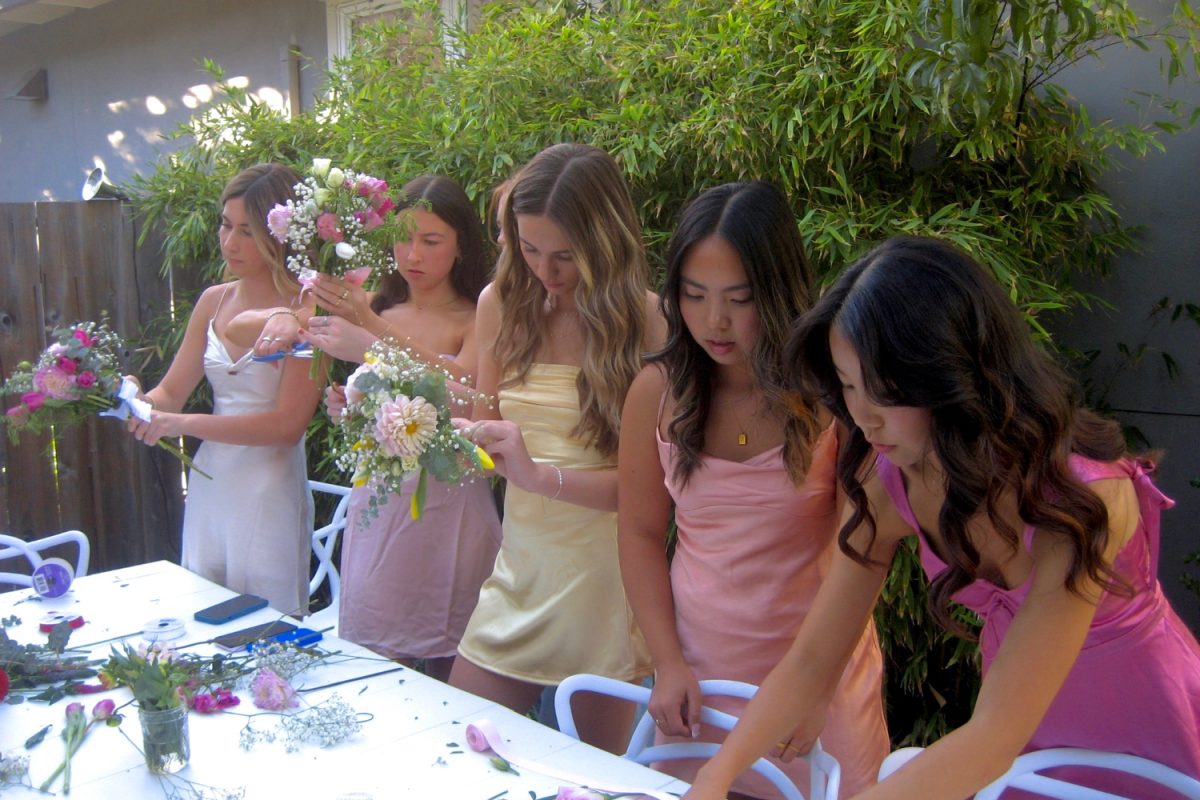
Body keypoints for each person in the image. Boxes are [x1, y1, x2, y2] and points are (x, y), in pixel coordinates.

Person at [684, 236, 1200, 800]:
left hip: (1146, 733)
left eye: (882, 391)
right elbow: (811, 660)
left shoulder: (1085, 499)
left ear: (954, 374)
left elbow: (992, 737)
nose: (863, 418)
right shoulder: (890, 481)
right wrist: (715, 775)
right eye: (848, 386)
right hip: (1027, 737)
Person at [618, 182, 889, 798]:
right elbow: (637, 534)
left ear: (779, 290)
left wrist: (815, 691)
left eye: (739, 300)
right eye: (694, 295)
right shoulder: (656, 391)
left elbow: (865, 550)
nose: (716, 321)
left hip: (820, 681)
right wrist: (667, 662)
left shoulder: (835, 392)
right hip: (699, 684)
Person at [451, 143, 667, 753]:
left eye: (565, 255)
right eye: (529, 248)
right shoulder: (501, 305)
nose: (546, 270)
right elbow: (483, 432)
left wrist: (540, 475)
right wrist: (406, 412)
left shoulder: (648, 322)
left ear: (605, 240)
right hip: (519, 569)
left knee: (593, 777)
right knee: (463, 751)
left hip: (604, 580)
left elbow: (656, 492)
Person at [127, 163, 322, 616]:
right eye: (225, 225)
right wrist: (131, 397)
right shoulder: (214, 300)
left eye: (248, 231)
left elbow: (286, 426)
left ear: (280, 234)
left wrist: (181, 424)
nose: (230, 242)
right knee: (202, 615)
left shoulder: (308, 309)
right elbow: (170, 394)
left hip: (268, 488)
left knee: (264, 628)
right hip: (212, 483)